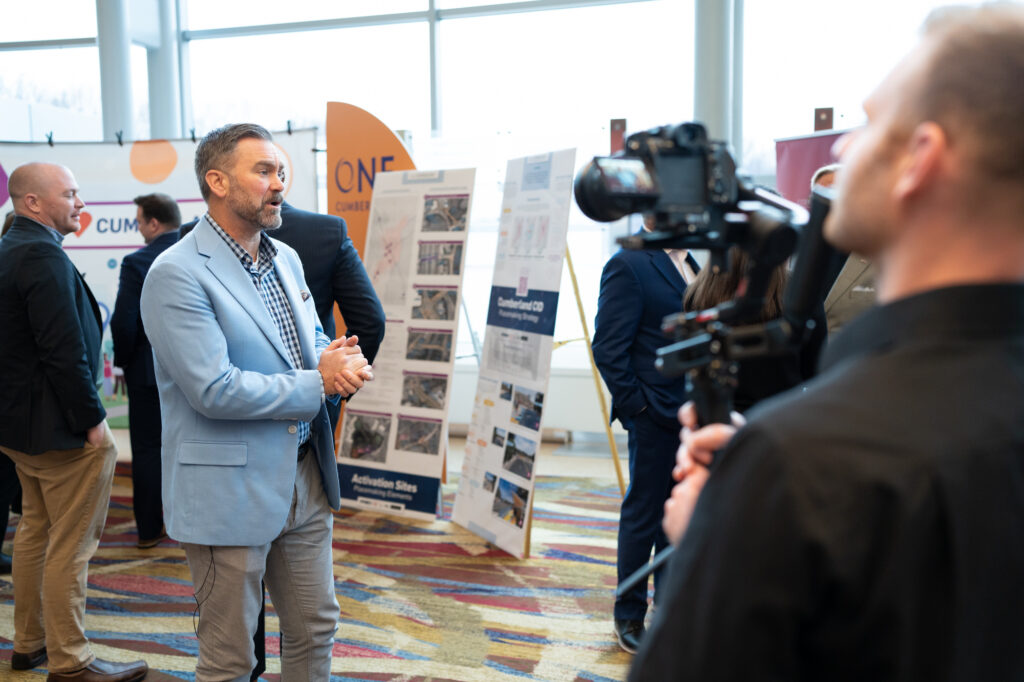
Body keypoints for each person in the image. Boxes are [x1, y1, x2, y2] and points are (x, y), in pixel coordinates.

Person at [630, 5, 1024, 679]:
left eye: (868, 125)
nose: (841, 151)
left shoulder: (800, 463)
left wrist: (720, 540)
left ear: (919, 160)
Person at [140, 123, 372, 680]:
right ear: (218, 182)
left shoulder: (285, 257)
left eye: (281, 172)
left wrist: (337, 359)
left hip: (305, 474)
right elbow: (214, 389)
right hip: (229, 489)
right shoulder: (176, 273)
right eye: (263, 171)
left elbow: (308, 340)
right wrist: (320, 382)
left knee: (316, 627)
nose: (279, 184)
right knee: (231, 656)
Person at [0, 163, 148, 680]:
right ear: (33, 203)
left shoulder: (12, 247)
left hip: (23, 431)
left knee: (35, 531)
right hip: (62, 432)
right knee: (70, 545)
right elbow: (62, 351)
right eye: (70, 194)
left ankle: (30, 643)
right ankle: (71, 661)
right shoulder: (40, 254)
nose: (81, 203)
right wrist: (92, 422)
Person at [592, 213, 698, 653]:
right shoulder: (629, 263)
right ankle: (629, 614)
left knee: (677, 516)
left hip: (691, 414)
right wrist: (638, 408)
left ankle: (667, 609)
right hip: (655, 415)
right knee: (644, 515)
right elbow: (607, 347)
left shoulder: (690, 260)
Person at [110, 192, 182, 549]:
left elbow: (124, 323)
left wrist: (125, 364)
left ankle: (150, 530)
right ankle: (191, 524)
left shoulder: (137, 262)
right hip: (198, 371)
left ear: (154, 223)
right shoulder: (200, 252)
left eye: (139, 222)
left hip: (147, 373)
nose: (138, 229)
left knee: (149, 449)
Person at [682, 245, 827, 412]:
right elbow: (816, 367)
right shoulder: (803, 293)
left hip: (718, 413)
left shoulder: (697, 293)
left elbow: (694, 365)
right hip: (781, 415)